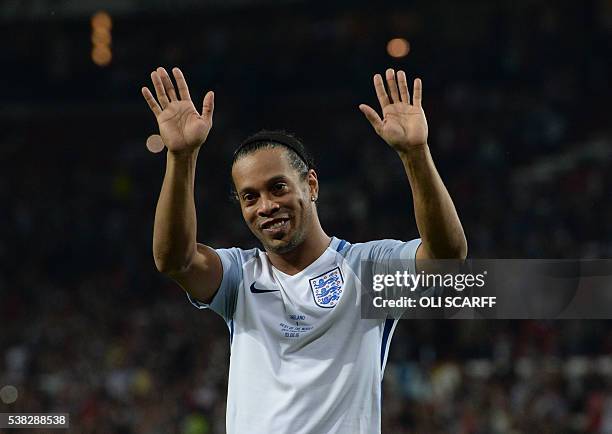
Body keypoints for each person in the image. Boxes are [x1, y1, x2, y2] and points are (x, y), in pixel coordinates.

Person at [142, 66, 467, 434]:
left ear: (310, 184)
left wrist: (415, 155)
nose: (265, 206)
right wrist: (180, 157)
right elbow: (174, 259)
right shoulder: (239, 275)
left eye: (278, 187)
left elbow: (446, 257)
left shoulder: (366, 270)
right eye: (250, 197)